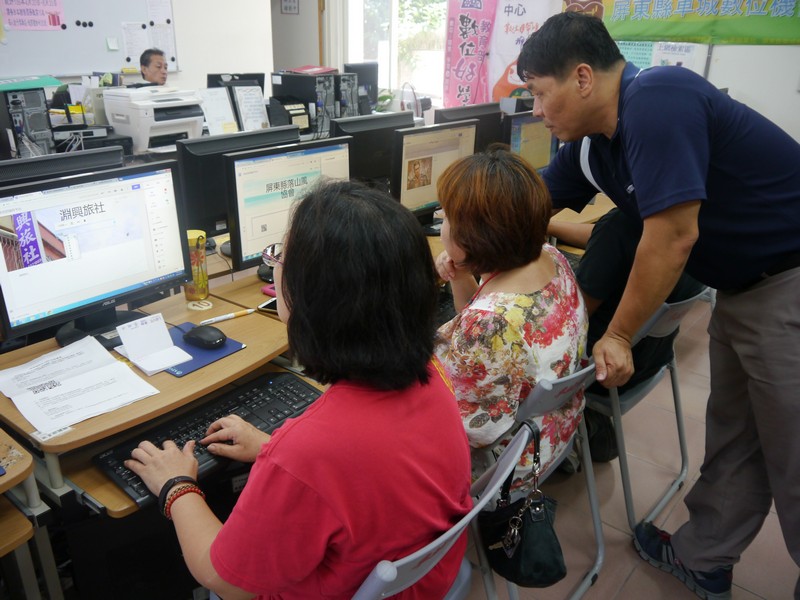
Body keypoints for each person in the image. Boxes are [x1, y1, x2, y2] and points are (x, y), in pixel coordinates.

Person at [518, 12, 800, 599]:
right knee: (736, 435)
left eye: (541, 94)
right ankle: (704, 558)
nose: (538, 112)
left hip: (790, 284)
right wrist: (459, 230)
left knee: (794, 454)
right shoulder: (591, 148)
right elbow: (530, 203)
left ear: (583, 78)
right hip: (742, 289)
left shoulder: (659, 98)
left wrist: (617, 335)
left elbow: (672, 236)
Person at [124, 180, 473, 599]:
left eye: (280, 258)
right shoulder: (433, 375)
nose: (275, 267)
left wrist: (176, 485)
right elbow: (364, 464)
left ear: (315, 295)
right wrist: (274, 448)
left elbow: (226, 581)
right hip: (427, 582)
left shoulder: (308, 452)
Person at [433, 147, 588, 493]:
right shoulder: (551, 258)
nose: (441, 220)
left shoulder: (490, 325)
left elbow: (464, 430)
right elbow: (485, 344)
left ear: (474, 235)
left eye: (445, 216)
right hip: (554, 431)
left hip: (505, 466)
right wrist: (460, 274)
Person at [550, 209, 705, 462]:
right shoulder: (687, 221)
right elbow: (608, 236)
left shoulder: (619, 226)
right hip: (650, 362)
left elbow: (571, 322)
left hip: (601, 374)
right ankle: (588, 424)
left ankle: (557, 435)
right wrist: (551, 225)